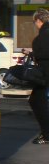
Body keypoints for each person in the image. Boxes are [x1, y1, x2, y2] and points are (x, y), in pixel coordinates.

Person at [28, 8, 49, 144]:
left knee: (36, 101)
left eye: (35, 22)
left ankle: (47, 134)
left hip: (45, 73)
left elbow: (45, 54)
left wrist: (33, 54)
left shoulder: (43, 35)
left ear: (38, 20)